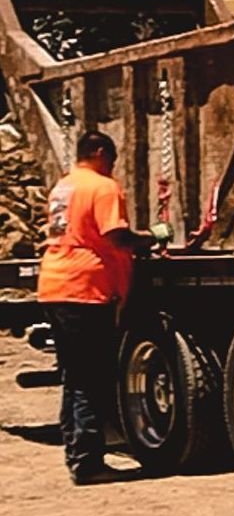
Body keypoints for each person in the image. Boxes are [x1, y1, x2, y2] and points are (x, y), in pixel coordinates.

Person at [37, 131, 157, 485]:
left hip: (55, 285)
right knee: (91, 378)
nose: (114, 167)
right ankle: (89, 464)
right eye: (113, 159)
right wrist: (150, 238)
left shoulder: (64, 186)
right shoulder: (103, 187)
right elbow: (115, 236)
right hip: (84, 289)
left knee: (74, 378)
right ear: (101, 152)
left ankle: (77, 456)